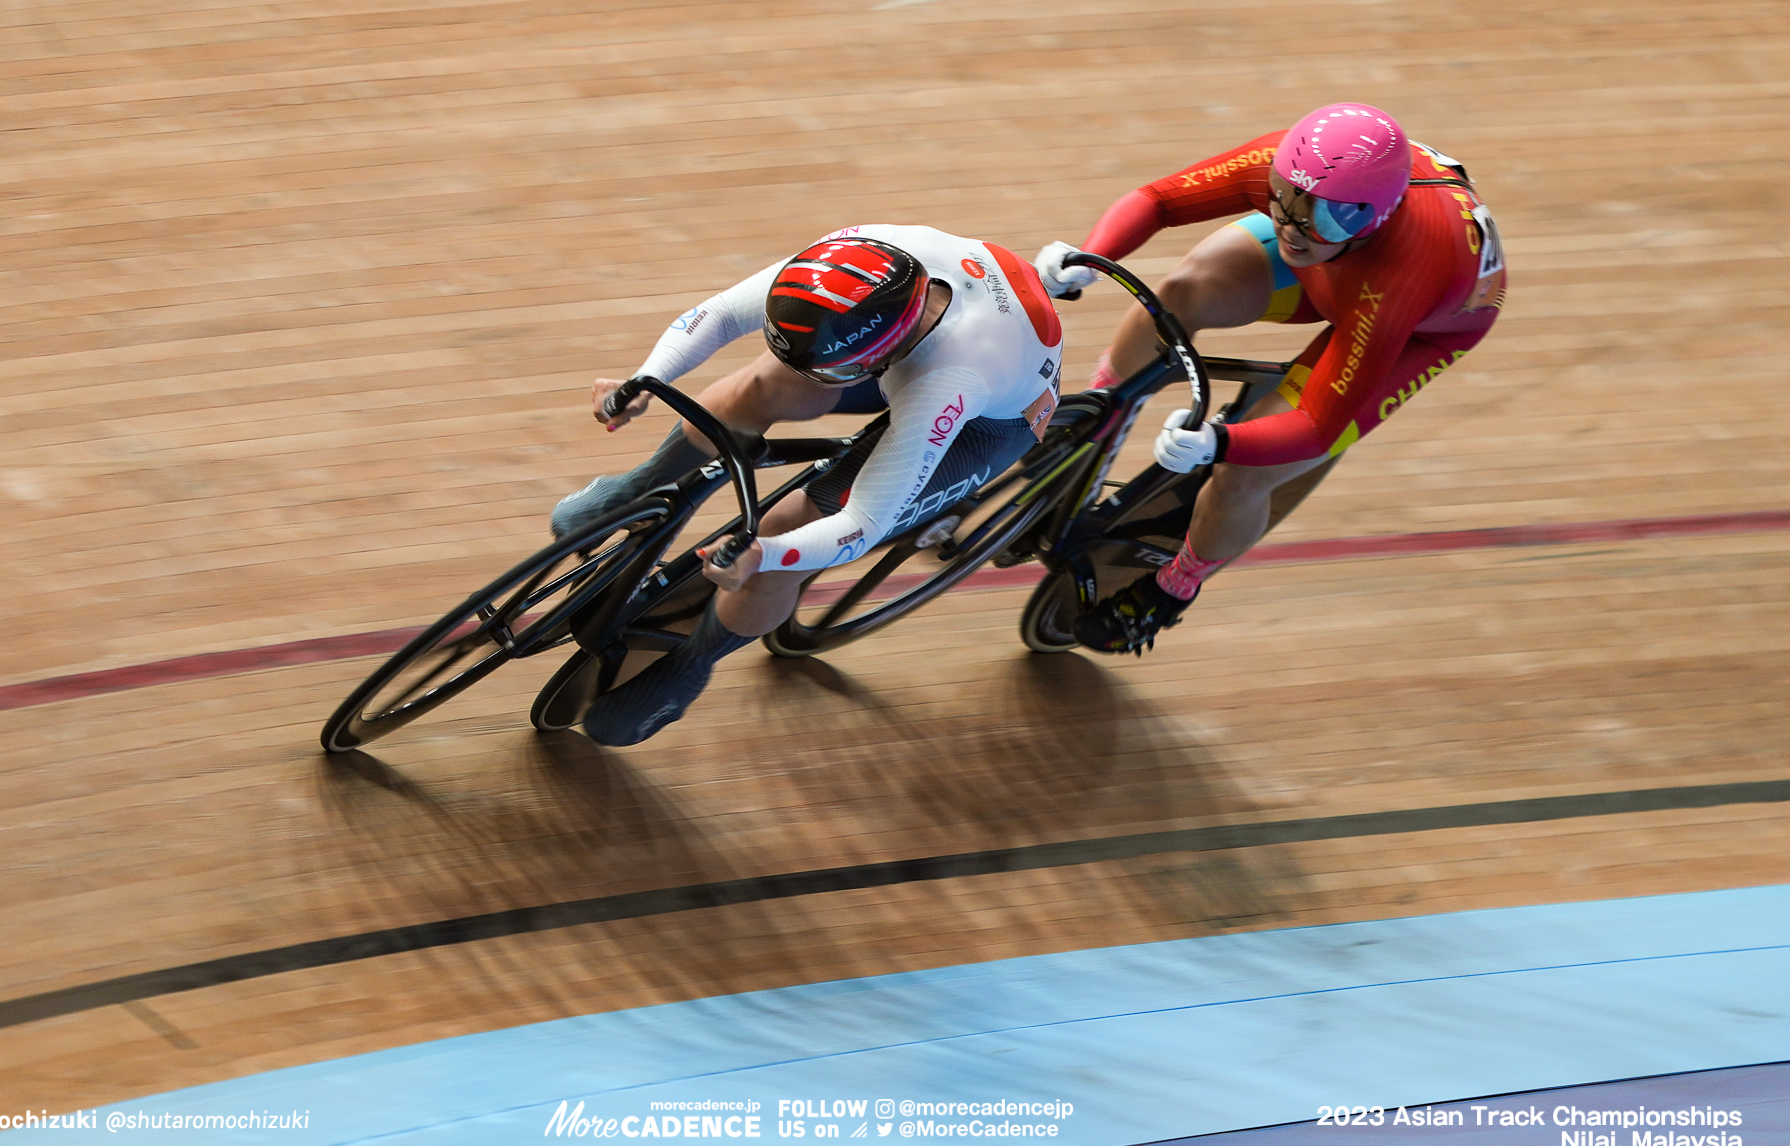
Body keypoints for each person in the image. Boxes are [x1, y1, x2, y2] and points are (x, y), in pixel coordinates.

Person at [553, 226, 1064, 746]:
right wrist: (644, 380)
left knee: (790, 528)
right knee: (759, 386)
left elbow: (861, 523)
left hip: (988, 421)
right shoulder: (852, 262)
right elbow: (726, 313)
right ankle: (640, 487)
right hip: (901, 341)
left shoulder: (951, 378)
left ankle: (693, 663)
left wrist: (764, 555)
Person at [1034, 103, 1506, 655]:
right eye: (1281, 196)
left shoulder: (1402, 270)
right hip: (1337, 266)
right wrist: (1092, 255)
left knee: (1244, 472)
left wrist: (1219, 440)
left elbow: (1317, 425)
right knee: (1184, 290)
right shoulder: (1302, 182)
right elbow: (1157, 201)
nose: (1294, 225)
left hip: (1415, 324)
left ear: (1378, 216)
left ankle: (1172, 588)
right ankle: (1101, 425)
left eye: (1325, 216)